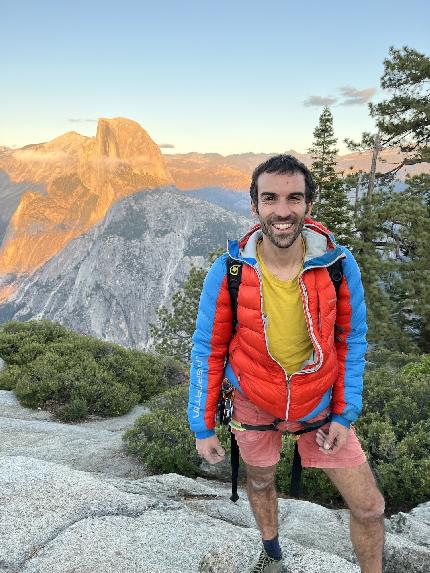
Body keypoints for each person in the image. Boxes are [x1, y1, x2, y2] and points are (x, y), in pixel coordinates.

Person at [188, 154, 385, 573]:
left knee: (369, 507)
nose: (282, 211)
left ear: (308, 206)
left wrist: (344, 414)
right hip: (253, 400)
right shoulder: (229, 272)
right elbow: (208, 348)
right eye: (270, 198)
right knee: (260, 481)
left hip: (318, 405)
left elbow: (352, 341)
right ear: (254, 205)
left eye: (294, 198)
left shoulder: (337, 266)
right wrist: (202, 425)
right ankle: (272, 556)